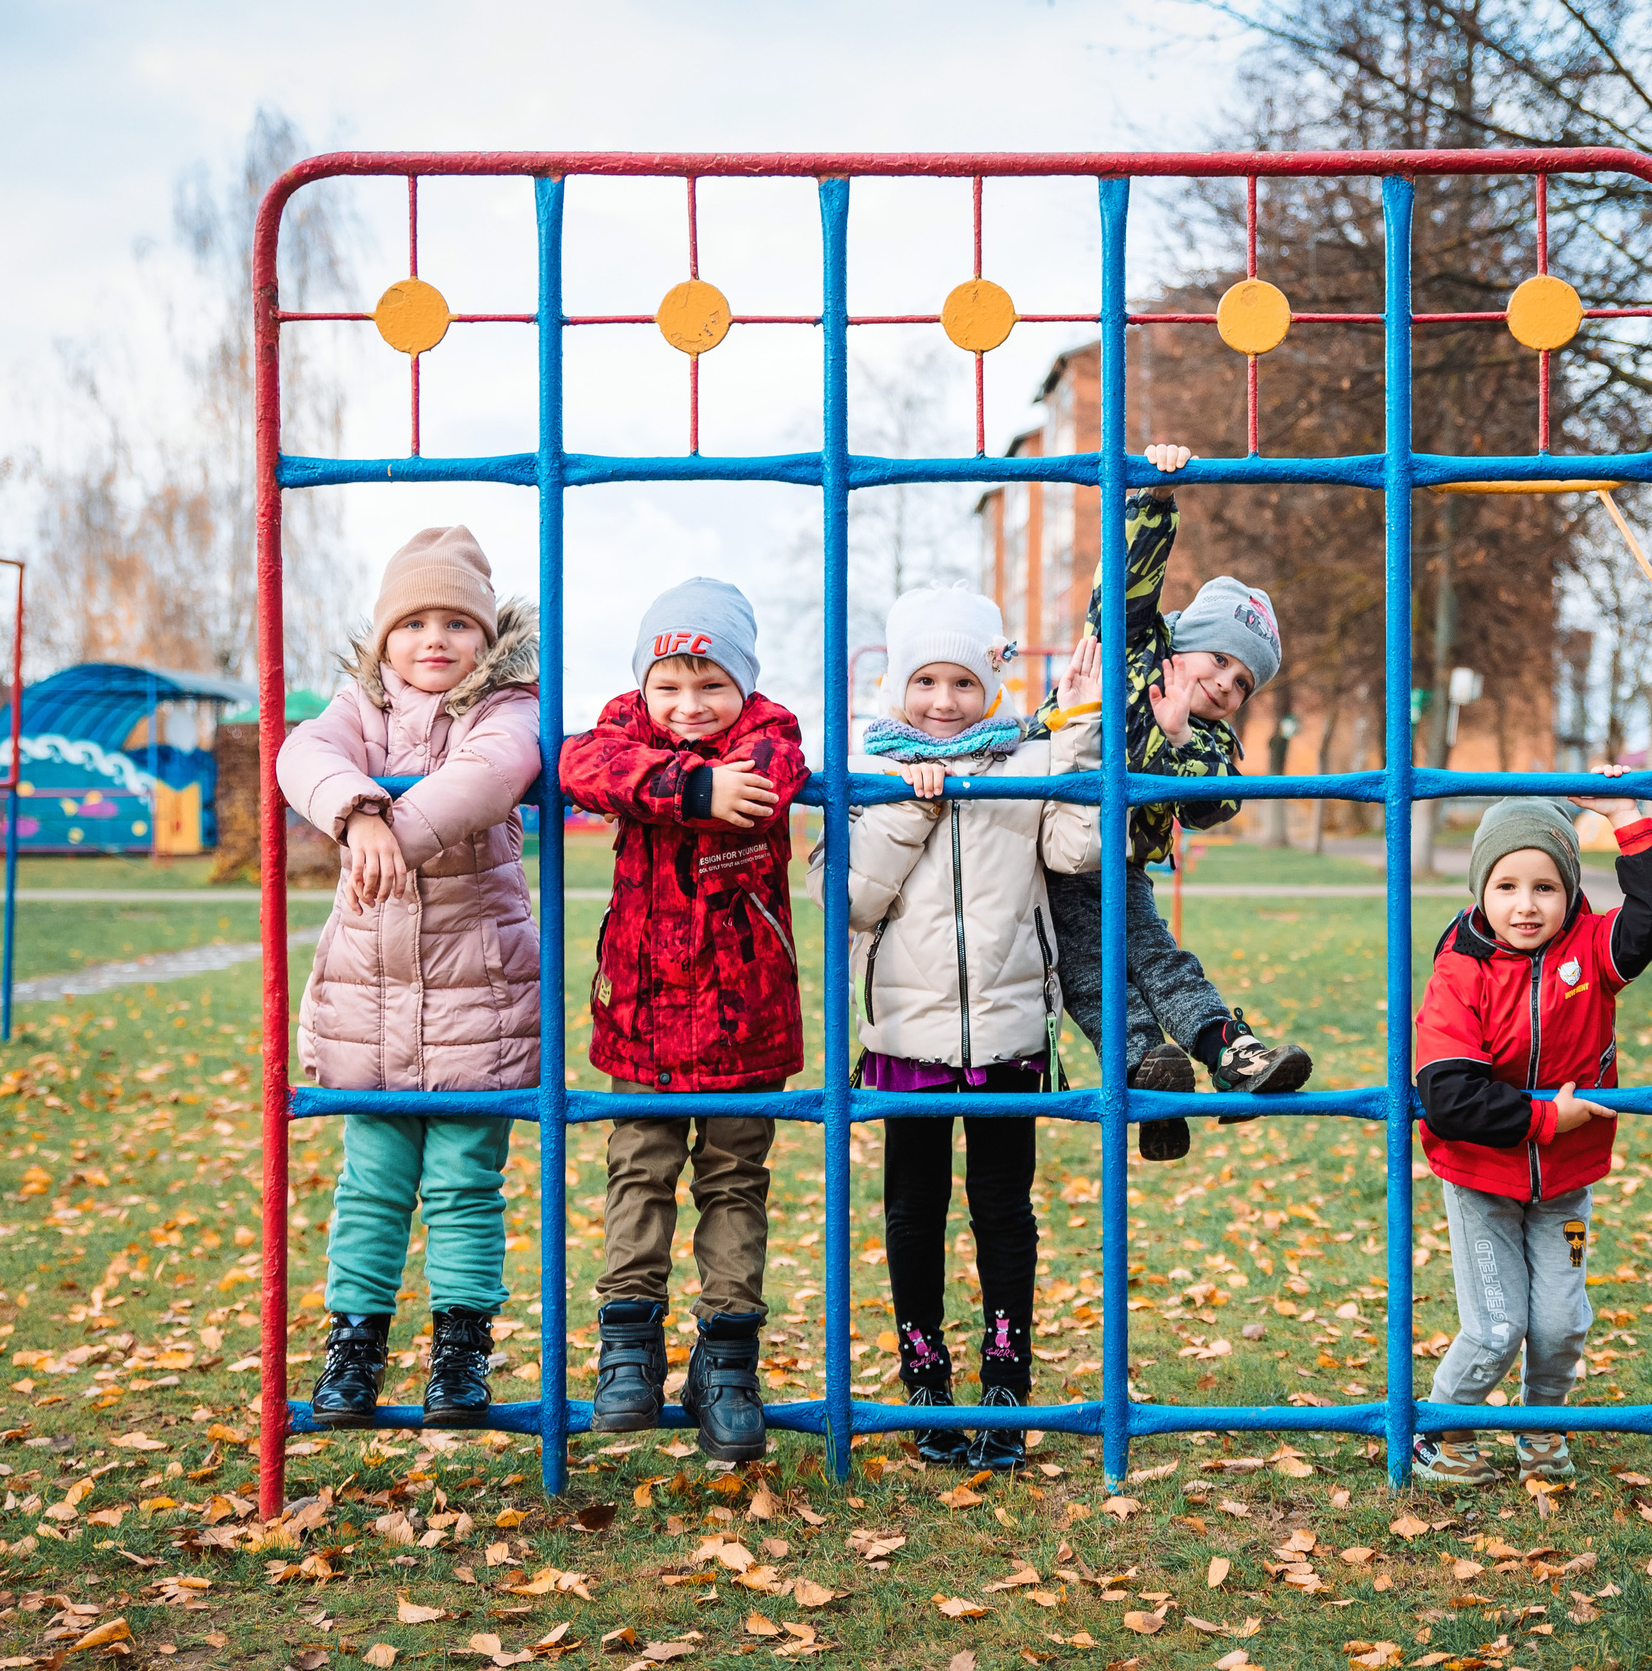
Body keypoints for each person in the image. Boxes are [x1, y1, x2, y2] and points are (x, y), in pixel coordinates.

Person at [811, 590, 1101, 1470]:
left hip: (1010, 1034)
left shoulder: (1028, 761)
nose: (945, 701)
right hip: (906, 1039)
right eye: (926, 681)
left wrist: (1081, 737)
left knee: (1004, 1210)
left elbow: (1078, 852)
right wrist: (915, 805)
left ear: (992, 685)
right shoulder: (864, 777)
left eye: (965, 682)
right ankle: (925, 1379)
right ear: (900, 686)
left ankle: (1006, 1383)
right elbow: (847, 900)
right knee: (914, 1211)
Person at [281, 525, 542, 1430]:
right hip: (370, 993)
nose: (435, 640)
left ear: (488, 639)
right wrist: (357, 815)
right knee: (371, 1182)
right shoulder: (359, 708)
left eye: (457, 624)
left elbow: (491, 773)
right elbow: (299, 756)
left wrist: (399, 827)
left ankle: (460, 1351)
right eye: (414, 622)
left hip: (479, 994)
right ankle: (354, 1345)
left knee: (468, 1182)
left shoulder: (506, 705)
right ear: (384, 639)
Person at [556, 578, 807, 1463]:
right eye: (670, 684)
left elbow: (776, 781)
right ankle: (627, 1346)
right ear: (644, 683)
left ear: (742, 683)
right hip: (643, 1021)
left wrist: (671, 789)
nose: (689, 704)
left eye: (711, 684)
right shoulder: (622, 726)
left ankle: (728, 1359)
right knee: (639, 1173)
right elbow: (579, 766)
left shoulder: (770, 731)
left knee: (735, 1183)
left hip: (745, 1020)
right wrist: (694, 791)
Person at [1408, 774, 1652, 1488]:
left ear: (1570, 893)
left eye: (1545, 887)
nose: (1525, 905)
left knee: (1562, 1323)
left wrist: (1628, 817)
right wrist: (1545, 1117)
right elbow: (1447, 1097)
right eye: (1506, 886)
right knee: (1497, 1326)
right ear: (1480, 891)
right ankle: (1442, 1432)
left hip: (1565, 1179)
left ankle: (1540, 1429)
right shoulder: (1460, 971)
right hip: (1481, 1178)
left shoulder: (1591, 952)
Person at [1038, 441, 1312, 1163]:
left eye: (1243, 682)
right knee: (1088, 978)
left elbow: (1209, 806)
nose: (1226, 683)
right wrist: (1156, 503)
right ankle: (1149, 1075)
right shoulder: (1132, 648)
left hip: (1119, 865)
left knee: (1158, 963)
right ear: (1183, 642)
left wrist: (1176, 737)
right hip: (1048, 849)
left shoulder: (1213, 741)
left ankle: (1224, 1055)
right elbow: (1122, 581)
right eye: (1219, 660)